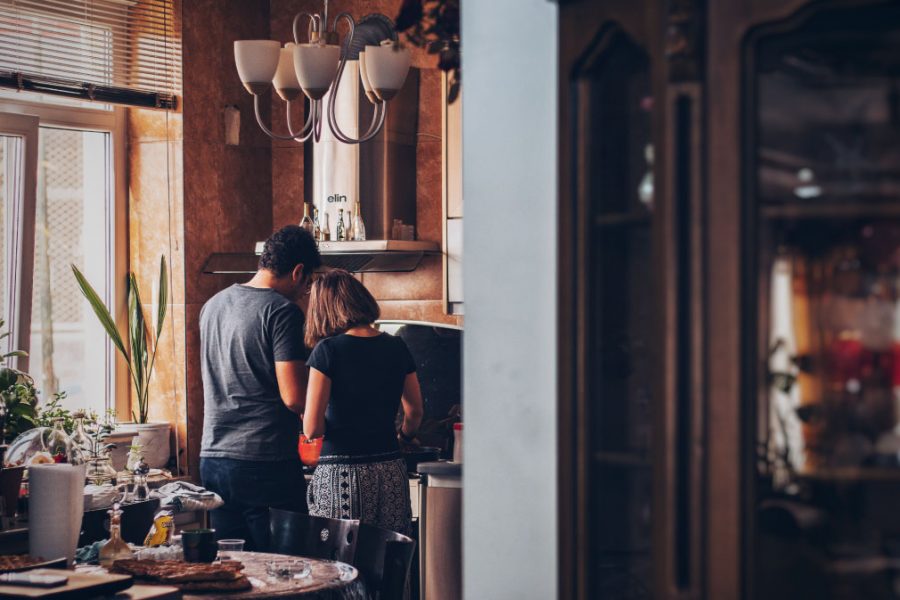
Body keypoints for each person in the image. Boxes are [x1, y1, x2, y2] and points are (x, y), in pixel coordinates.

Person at [199, 225, 321, 550]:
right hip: (264, 462)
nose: (305, 291)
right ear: (298, 272)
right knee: (288, 569)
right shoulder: (282, 312)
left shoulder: (212, 306)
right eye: (308, 283)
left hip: (213, 459)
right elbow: (294, 398)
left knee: (235, 568)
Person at [303, 269, 424, 535]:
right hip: (390, 469)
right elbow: (414, 411)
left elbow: (312, 429)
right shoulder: (397, 346)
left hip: (341, 475)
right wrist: (404, 437)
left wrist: (313, 417)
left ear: (324, 309)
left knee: (340, 556)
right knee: (389, 553)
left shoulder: (327, 350)